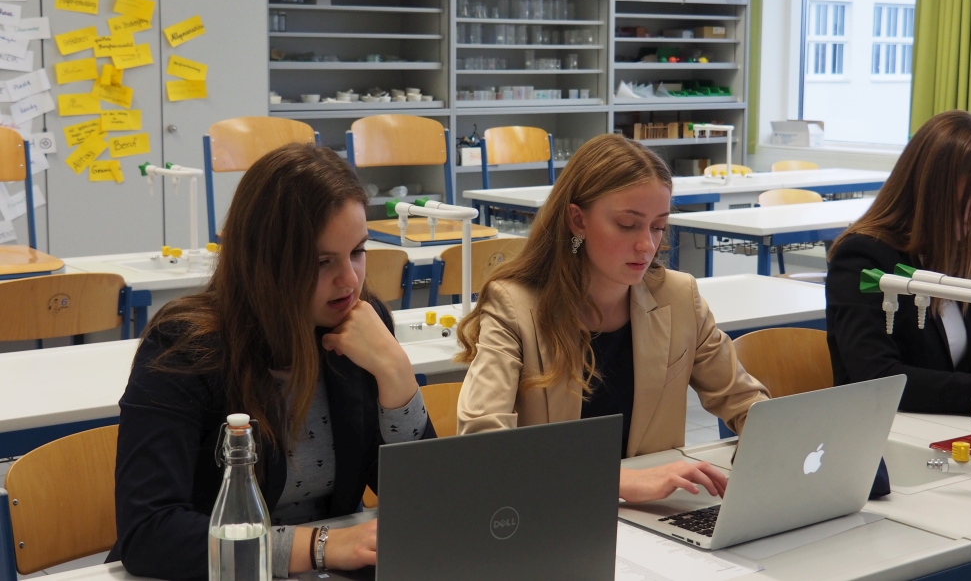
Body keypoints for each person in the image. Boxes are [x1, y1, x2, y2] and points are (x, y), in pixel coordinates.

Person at [109, 143, 434, 580]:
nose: (350, 280)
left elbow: (426, 502)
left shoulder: (361, 327)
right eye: (322, 261)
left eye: (358, 251)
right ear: (266, 262)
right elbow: (149, 533)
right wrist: (320, 546)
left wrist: (396, 373)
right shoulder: (183, 348)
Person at [455, 134, 769, 503]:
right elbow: (482, 444)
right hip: (553, 508)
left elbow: (747, 402)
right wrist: (618, 481)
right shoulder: (514, 304)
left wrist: (763, 454)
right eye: (626, 224)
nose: (647, 245)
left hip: (654, 514)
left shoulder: (679, 296)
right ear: (577, 220)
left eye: (658, 226)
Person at [827, 110, 971, 414]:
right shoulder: (862, 258)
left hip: (938, 427)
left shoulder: (955, 252)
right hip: (881, 430)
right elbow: (878, 378)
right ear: (935, 190)